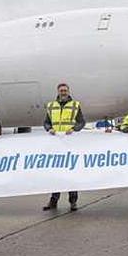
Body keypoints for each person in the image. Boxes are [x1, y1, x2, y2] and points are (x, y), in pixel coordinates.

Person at [43, 83, 85, 211]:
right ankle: (53, 201)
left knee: (71, 173)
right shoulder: (51, 106)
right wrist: (49, 129)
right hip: (56, 144)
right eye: (61, 90)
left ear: (68, 92)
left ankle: (73, 201)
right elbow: (46, 122)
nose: (63, 92)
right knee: (56, 173)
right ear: (58, 92)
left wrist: (74, 129)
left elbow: (81, 122)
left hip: (70, 144)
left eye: (65, 90)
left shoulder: (75, 105)